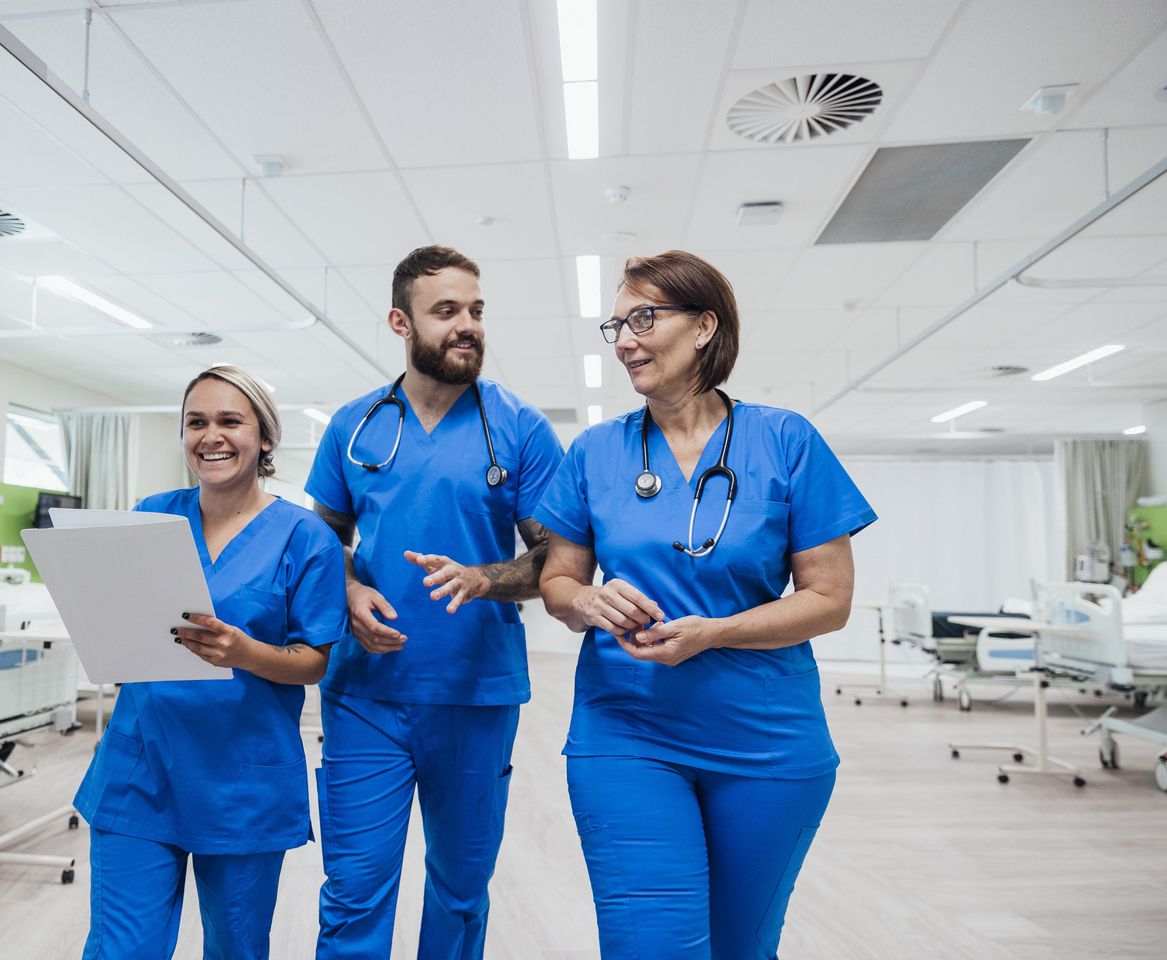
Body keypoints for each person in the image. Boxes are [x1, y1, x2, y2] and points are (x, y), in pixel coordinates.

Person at [535, 251, 877, 960]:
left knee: (739, 948)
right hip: (626, 732)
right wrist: (589, 600)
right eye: (617, 324)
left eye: (644, 318)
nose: (625, 339)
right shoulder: (595, 452)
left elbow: (830, 599)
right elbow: (557, 584)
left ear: (704, 328)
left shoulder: (785, 441)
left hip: (766, 740)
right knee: (650, 944)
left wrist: (716, 633)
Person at [307, 246, 565, 959]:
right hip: (365, 694)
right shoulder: (354, 427)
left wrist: (484, 578)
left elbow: (560, 559)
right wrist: (352, 589)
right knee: (354, 890)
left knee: (459, 893)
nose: (468, 325)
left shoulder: (519, 428)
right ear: (401, 321)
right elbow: (321, 544)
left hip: (475, 691)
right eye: (446, 310)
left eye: (476, 311)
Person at [74, 365, 349, 960]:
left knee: (235, 949)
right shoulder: (152, 512)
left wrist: (244, 652)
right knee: (121, 949)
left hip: (241, 782)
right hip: (141, 769)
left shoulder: (306, 538)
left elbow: (313, 662)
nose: (211, 436)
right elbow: (126, 621)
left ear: (265, 438)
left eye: (230, 421)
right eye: (196, 422)